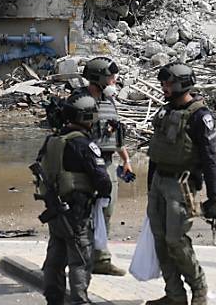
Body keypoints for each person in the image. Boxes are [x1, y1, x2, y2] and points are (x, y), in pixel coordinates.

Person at [145, 63, 216, 305]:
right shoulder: (165, 112)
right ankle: (175, 295)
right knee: (160, 241)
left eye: (168, 84)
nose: (164, 88)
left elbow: (210, 159)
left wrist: (213, 196)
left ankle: (199, 289)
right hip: (159, 182)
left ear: (182, 84)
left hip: (182, 186)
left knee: (176, 241)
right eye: (163, 84)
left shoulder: (200, 116)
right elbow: (156, 153)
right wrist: (150, 187)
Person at [35, 94, 112, 305]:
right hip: (77, 211)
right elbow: (103, 182)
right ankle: (79, 301)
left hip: (55, 210)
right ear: (87, 117)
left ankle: (53, 298)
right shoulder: (82, 144)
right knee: (80, 260)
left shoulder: (53, 140)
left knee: (55, 257)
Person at [74, 56, 134, 276]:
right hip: (84, 165)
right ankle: (79, 261)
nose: (114, 80)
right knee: (82, 215)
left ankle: (100, 260)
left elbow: (115, 135)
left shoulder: (110, 102)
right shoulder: (80, 102)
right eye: (110, 77)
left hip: (107, 163)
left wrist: (126, 160)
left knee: (107, 211)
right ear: (98, 79)